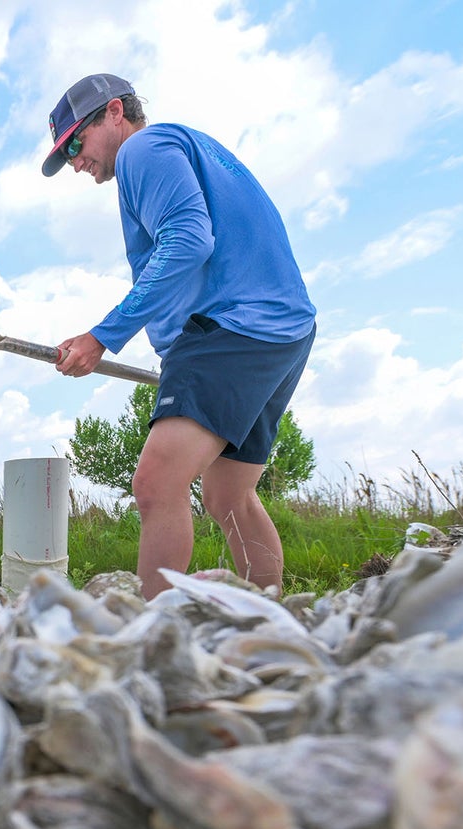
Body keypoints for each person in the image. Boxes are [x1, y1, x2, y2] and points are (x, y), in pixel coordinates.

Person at [43, 73, 316, 599]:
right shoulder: (191, 147)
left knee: (156, 483)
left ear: (116, 112)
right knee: (228, 494)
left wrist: (103, 335)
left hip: (230, 327)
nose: (76, 161)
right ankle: (272, 620)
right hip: (283, 330)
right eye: (66, 154)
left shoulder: (143, 150)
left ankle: (152, 638)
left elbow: (189, 240)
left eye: (76, 142)